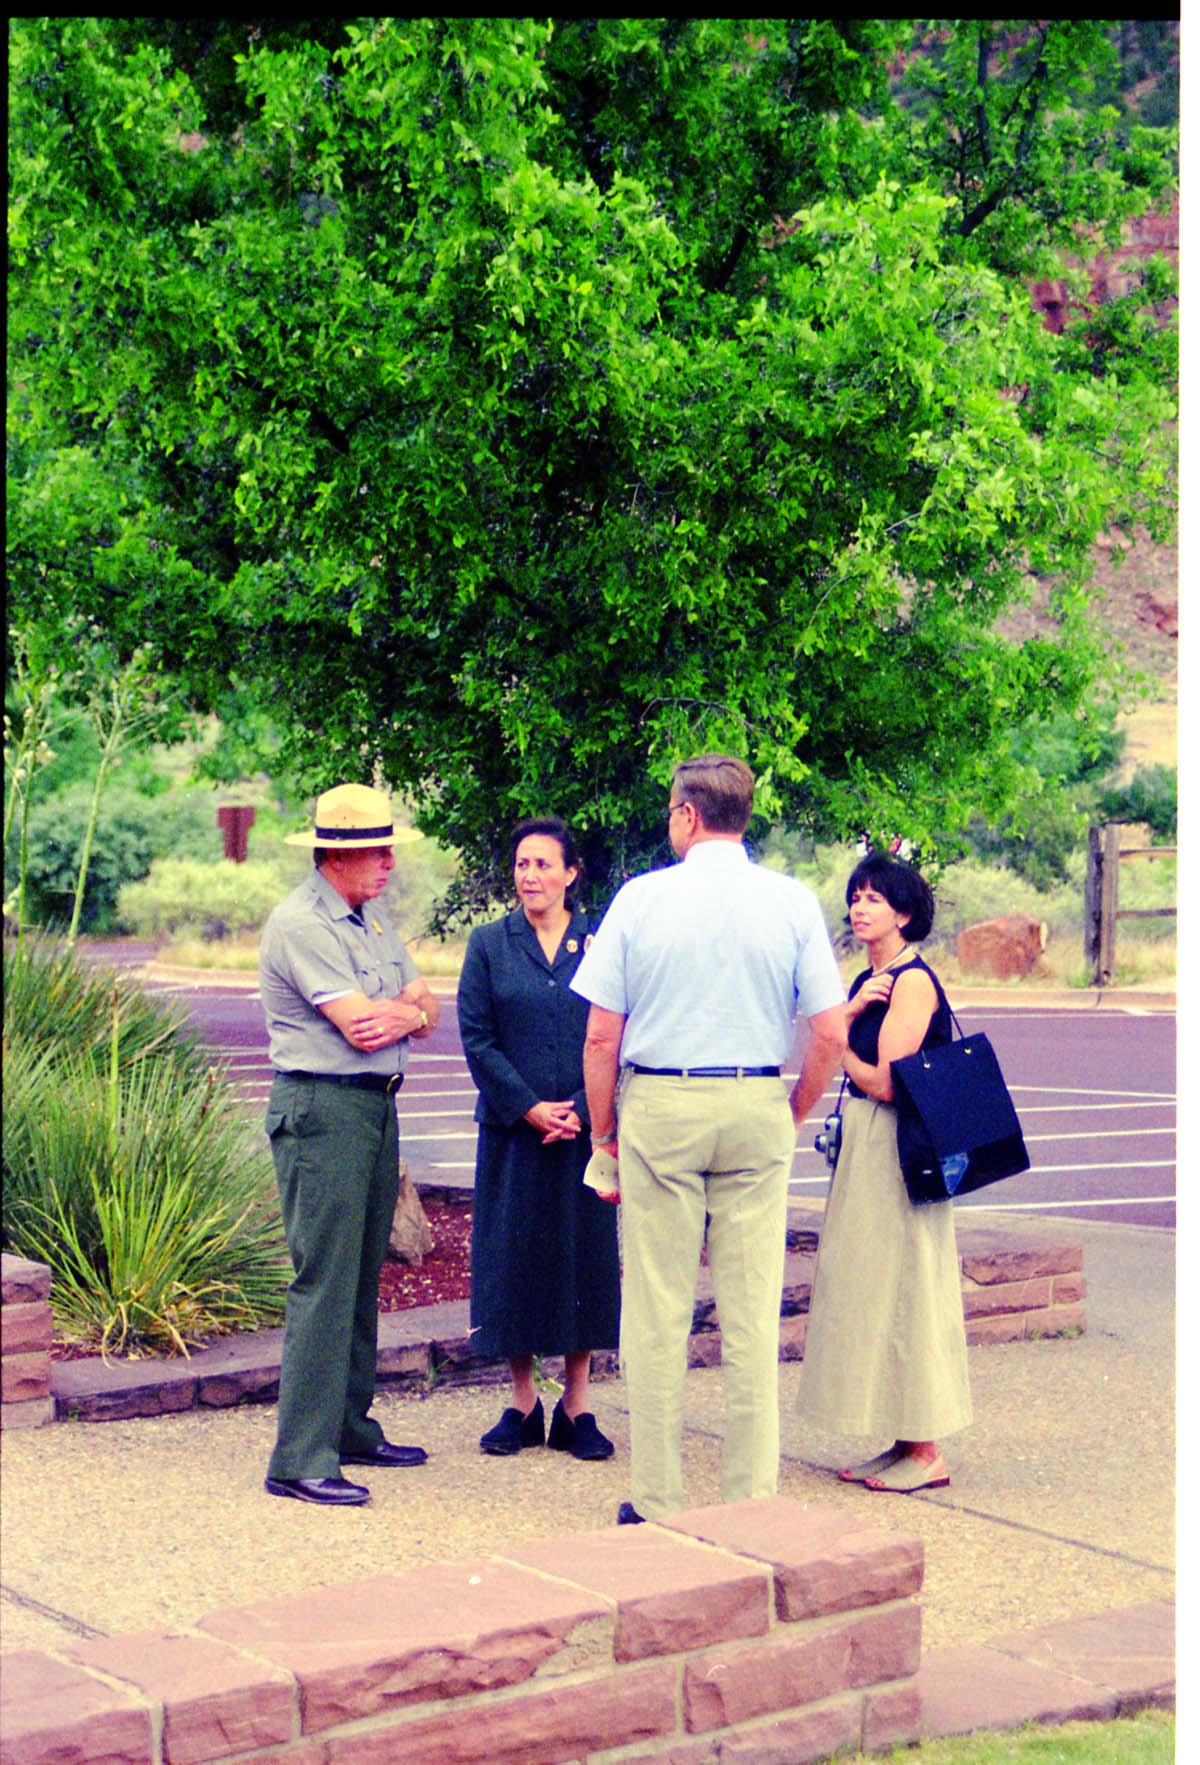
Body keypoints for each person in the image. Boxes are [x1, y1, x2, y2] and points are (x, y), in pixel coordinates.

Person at [570, 755, 847, 1523]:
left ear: (688, 815)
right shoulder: (791, 901)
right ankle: (751, 1500)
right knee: (752, 1307)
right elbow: (829, 1029)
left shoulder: (642, 898)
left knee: (657, 1307)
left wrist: (604, 1131)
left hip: (663, 1097)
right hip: (756, 1093)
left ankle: (657, 1500)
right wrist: (790, 1107)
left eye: (671, 811)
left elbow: (600, 1035)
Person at [259, 783, 440, 1506]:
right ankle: (300, 1454)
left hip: (372, 1108)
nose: (391, 861)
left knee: (363, 1274)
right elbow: (362, 1028)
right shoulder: (303, 924)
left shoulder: (367, 917)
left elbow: (426, 1005)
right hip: (323, 1109)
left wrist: (401, 1012)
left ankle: (349, 1425)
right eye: (379, 849)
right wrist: (405, 1013)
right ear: (339, 854)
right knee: (325, 1279)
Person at [797, 851, 972, 1493]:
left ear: (904, 912)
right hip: (869, 1149)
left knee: (907, 1285)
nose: (860, 906)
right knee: (874, 1283)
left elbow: (888, 1082)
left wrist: (838, 1034)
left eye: (875, 898)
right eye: (856, 896)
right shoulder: (869, 980)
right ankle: (901, 1439)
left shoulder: (913, 981)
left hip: (900, 1147)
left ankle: (927, 1451)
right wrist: (847, 1014)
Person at [458, 818, 620, 1459]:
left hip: (585, 1132)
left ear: (571, 873)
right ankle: (522, 1403)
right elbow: (478, 1038)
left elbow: (618, 1031)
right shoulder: (489, 944)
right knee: (514, 1259)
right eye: (522, 865)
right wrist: (527, 1107)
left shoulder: (601, 944)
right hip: (513, 1131)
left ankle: (576, 1406)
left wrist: (582, 1110)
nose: (530, 876)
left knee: (582, 1258)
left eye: (543, 865)